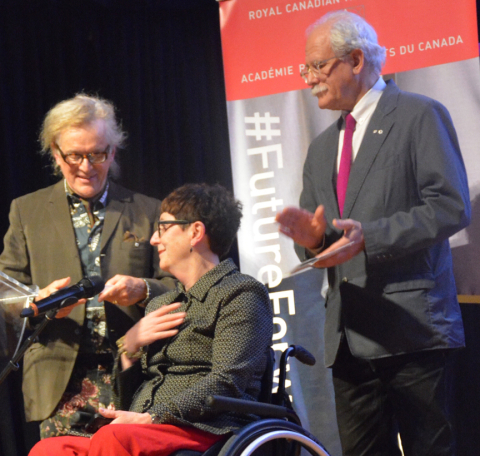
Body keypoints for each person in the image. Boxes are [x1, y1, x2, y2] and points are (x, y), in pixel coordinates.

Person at [276, 11, 471, 456]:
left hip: (412, 329)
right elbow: (327, 239)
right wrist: (311, 239)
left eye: (316, 66)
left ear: (357, 59)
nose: (308, 79)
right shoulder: (322, 147)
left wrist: (371, 236)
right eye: (304, 68)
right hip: (348, 336)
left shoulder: (419, 115)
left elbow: (449, 206)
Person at [28, 182, 273, 456]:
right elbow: (128, 395)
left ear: (195, 232)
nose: (154, 240)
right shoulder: (162, 302)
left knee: (114, 440)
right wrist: (129, 349)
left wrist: (154, 416)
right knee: (51, 448)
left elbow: (228, 382)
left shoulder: (240, 293)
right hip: (148, 426)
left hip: (209, 427)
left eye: (163, 228)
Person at [0, 94, 175, 440]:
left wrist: (144, 289)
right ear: (55, 153)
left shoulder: (148, 209)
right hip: (58, 381)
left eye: (97, 154)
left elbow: (179, 283)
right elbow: (5, 293)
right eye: (74, 156)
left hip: (136, 373)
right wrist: (39, 299)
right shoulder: (27, 211)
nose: (86, 166)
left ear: (113, 152)